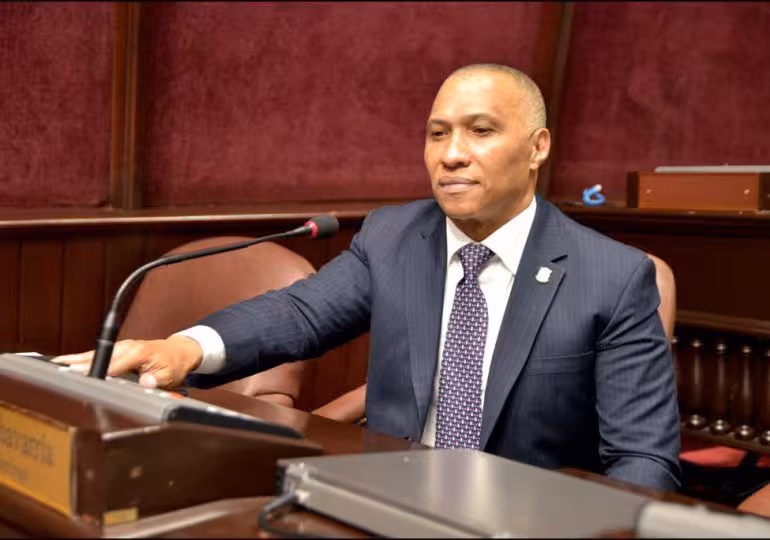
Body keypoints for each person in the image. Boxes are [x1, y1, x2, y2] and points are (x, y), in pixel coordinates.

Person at [55, 63, 681, 492]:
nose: (451, 153)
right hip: (383, 498)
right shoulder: (393, 236)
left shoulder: (613, 276)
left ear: (538, 146)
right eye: (437, 134)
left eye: (481, 131)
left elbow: (644, 458)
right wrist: (183, 348)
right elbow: (300, 315)